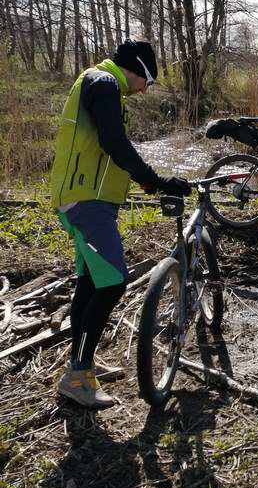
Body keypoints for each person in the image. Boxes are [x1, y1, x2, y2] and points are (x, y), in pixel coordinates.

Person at [50, 39, 191, 409]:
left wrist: (145, 181)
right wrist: (156, 179)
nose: (146, 89)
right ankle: (77, 375)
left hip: (90, 201)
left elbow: (110, 145)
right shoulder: (103, 83)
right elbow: (114, 141)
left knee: (90, 283)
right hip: (86, 202)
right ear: (138, 70)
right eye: (149, 80)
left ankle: (81, 366)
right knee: (113, 283)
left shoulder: (104, 86)